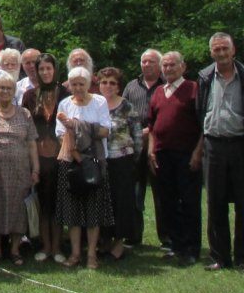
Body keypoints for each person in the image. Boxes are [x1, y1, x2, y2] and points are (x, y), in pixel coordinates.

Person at [194, 32, 244, 271]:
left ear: (233, 50)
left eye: (225, 48)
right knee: (215, 204)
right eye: (217, 49)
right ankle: (219, 257)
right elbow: (199, 112)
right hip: (214, 146)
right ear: (211, 52)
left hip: (241, 147)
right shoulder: (205, 78)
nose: (221, 53)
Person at [54, 67, 113, 270]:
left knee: (93, 211)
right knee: (73, 211)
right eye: (74, 84)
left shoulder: (99, 102)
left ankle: (91, 255)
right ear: (69, 85)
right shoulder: (64, 104)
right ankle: (76, 253)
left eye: (82, 83)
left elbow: (105, 130)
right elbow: (61, 133)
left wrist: (76, 125)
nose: (78, 88)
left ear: (88, 84)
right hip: (71, 162)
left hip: (95, 162)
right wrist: (77, 153)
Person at [0, 73, 39, 265]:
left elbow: (31, 144)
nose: (5, 91)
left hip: (20, 171)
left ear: (14, 92)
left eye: (9, 88)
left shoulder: (25, 114)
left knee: (18, 210)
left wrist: (35, 168)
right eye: (1, 88)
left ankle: (15, 250)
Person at [147, 51, 201, 267]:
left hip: (186, 154)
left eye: (172, 65)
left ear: (183, 67)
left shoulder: (193, 89)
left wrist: (198, 152)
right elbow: (152, 125)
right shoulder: (159, 92)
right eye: (165, 66)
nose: (168, 69)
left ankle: (192, 248)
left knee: (189, 202)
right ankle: (176, 245)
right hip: (162, 154)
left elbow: (202, 124)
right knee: (167, 202)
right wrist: (151, 150)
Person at [22, 54, 68, 262]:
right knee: (42, 201)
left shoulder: (65, 93)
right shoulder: (30, 95)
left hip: (61, 155)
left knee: (57, 202)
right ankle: (44, 245)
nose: (45, 72)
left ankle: (57, 247)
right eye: (42, 69)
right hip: (38, 156)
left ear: (54, 70)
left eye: (49, 68)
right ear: (37, 71)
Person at [123, 48, 165, 250]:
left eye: (151, 62)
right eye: (144, 61)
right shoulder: (131, 87)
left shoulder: (166, 86)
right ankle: (133, 236)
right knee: (134, 192)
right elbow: (122, 113)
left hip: (159, 146)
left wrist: (151, 130)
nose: (146, 65)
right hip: (134, 146)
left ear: (159, 65)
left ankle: (167, 238)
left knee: (162, 194)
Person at [96, 67, 137, 259]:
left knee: (121, 202)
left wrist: (135, 157)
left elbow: (137, 134)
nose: (108, 86)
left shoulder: (126, 106)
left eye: (112, 82)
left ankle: (119, 243)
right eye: (104, 82)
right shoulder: (95, 104)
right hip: (100, 160)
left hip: (122, 160)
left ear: (118, 86)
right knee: (104, 201)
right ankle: (104, 241)